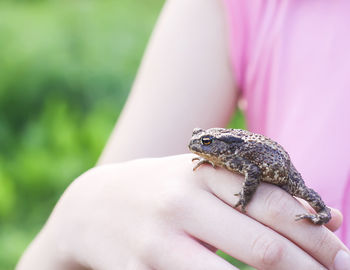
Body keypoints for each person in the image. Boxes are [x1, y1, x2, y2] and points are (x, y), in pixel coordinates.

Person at [17, 0, 350, 269]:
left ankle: (320, 213)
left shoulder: (234, 155)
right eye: (201, 142)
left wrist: (244, 198)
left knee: (301, 189)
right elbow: (113, 218)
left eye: (205, 144)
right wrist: (79, 212)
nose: (198, 147)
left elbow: (251, 171)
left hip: (277, 164)